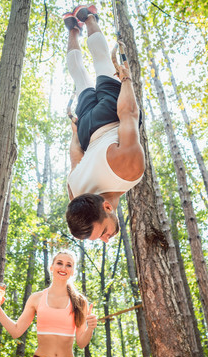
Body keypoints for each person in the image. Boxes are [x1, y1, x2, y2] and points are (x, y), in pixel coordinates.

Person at [64, 5, 145, 243]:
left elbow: (129, 114)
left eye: (102, 234)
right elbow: (75, 158)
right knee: (80, 79)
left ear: (108, 208)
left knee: (102, 61)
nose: (107, 239)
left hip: (111, 116)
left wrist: (126, 77)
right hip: (87, 130)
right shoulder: (76, 199)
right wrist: (75, 133)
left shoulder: (129, 171)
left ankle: (88, 16)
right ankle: (72, 29)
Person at [0, 250, 97, 357]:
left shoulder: (80, 301)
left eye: (69, 265)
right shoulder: (36, 298)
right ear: (51, 267)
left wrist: (90, 328)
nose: (63, 268)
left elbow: (81, 343)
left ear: (72, 271)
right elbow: (16, 331)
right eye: (59, 263)